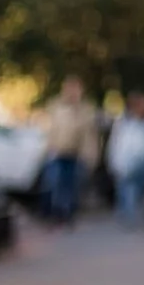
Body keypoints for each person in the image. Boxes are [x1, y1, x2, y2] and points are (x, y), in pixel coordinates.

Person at [40, 77, 100, 225]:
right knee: (53, 184)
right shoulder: (56, 107)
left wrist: (91, 156)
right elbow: (48, 130)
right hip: (57, 153)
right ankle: (55, 214)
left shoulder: (85, 110)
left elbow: (90, 136)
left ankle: (67, 214)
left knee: (71, 186)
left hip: (76, 155)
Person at [106, 92, 144, 226]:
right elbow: (116, 145)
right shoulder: (123, 124)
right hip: (127, 163)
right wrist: (115, 163)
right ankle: (129, 217)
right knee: (127, 190)